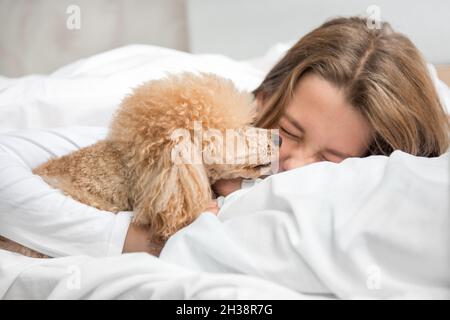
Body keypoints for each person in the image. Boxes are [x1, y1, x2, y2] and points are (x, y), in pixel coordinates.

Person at [124, 17, 450, 254]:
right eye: (289, 132)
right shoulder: (207, 111)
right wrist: (147, 240)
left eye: (329, 158)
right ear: (265, 97)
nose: (293, 164)